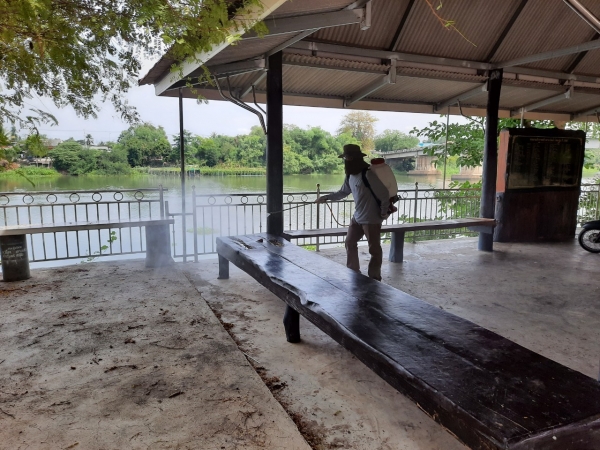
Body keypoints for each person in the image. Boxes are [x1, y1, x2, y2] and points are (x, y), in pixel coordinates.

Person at [315, 144, 390, 281]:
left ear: (356, 157)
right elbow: (342, 192)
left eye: (349, 157)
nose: (347, 160)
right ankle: (353, 272)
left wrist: (384, 212)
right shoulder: (350, 176)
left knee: (374, 249)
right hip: (357, 217)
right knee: (349, 242)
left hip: (371, 219)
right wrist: (326, 197)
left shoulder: (368, 174)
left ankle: (374, 278)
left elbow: (384, 194)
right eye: (346, 157)